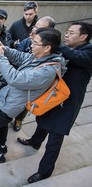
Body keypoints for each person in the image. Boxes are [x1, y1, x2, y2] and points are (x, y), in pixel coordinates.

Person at [17, 21, 92, 183]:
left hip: (68, 102)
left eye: (71, 33)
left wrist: (54, 42)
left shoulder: (88, 51)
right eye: (67, 32)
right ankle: (35, 141)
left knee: (55, 140)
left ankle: (44, 172)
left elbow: (76, 57)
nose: (66, 34)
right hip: (54, 95)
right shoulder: (69, 49)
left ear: (83, 36)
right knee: (43, 119)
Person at [0, 27, 65, 163]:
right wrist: (5, 49)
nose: (31, 45)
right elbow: (20, 57)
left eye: (35, 43)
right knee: (2, 125)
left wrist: (0, 56)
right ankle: (2, 145)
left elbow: (15, 78)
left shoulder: (47, 70)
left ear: (47, 48)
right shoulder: (39, 58)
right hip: (9, 100)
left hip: (9, 105)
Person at [13, 16, 56, 131]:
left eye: (39, 28)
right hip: (20, 77)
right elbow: (18, 54)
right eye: (35, 26)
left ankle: (19, 120)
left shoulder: (53, 50)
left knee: (26, 103)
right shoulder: (27, 41)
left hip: (34, 84)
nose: (34, 29)